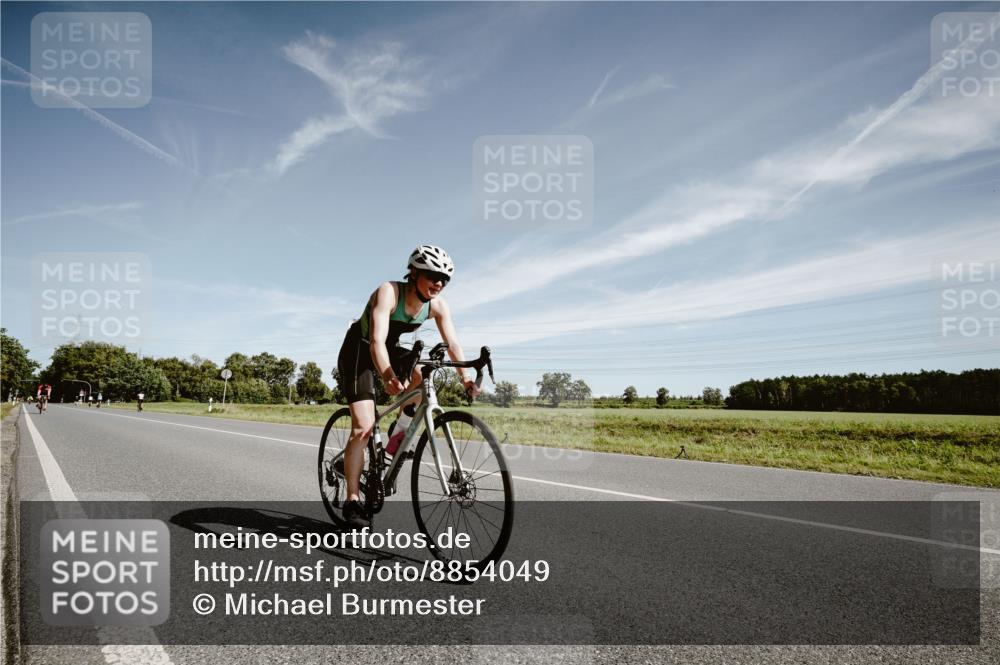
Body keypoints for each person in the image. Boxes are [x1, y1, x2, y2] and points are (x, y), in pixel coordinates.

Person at [336, 245, 478, 528]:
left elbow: (454, 344)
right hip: (360, 351)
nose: (439, 283)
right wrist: (388, 375)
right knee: (363, 427)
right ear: (413, 273)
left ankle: (398, 431)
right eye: (432, 275)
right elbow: (376, 341)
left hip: (389, 348)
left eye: (444, 279)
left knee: (422, 373)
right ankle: (352, 500)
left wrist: (466, 378)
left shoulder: (436, 306)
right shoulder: (389, 291)